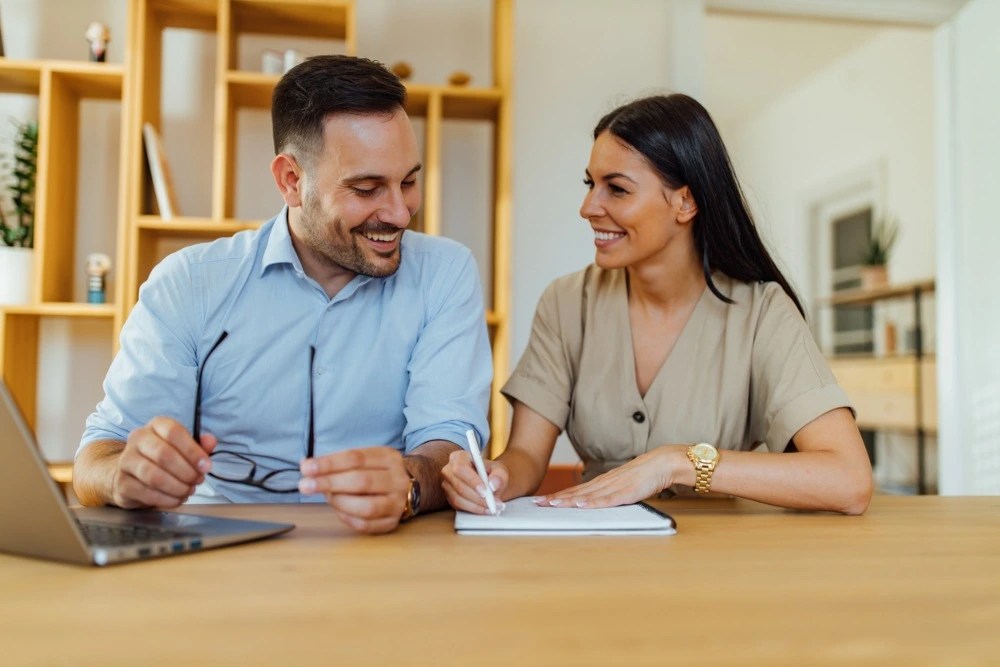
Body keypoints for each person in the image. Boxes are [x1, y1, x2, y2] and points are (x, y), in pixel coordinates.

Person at [75, 55, 492, 534]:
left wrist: (410, 483)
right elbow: (98, 456)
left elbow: (449, 445)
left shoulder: (445, 274)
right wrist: (123, 476)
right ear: (291, 180)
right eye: (367, 188)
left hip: (378, 551)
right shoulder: (190, 283)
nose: (399, 213)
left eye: (409, 181)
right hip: (219, 554)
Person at [442, 94, 872, 516]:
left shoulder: (763, 313)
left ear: (685, 202)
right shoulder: (566, 303)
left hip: (718, 565)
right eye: (591, 184)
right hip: (600, 555)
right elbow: (525, 458)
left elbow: (848, 480)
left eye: (617, 189)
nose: (588, 207)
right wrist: (493, 477)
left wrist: (676, 463)